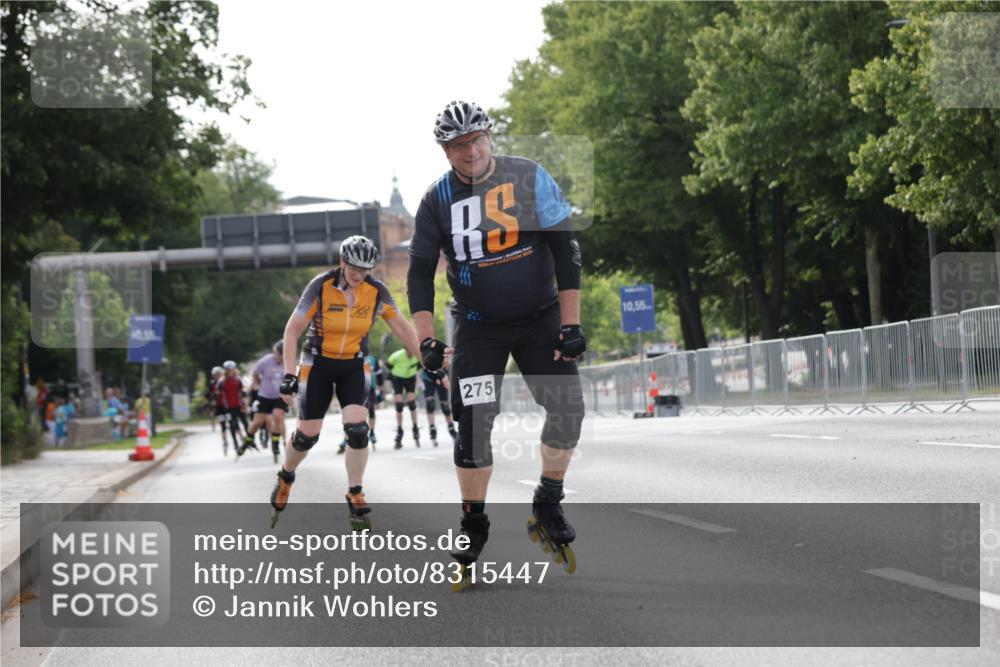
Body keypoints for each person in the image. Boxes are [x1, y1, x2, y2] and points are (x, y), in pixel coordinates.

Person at [407, 100, 587, 574]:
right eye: (457, 145)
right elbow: (420, 275)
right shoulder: (435, 201)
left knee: (568, 408)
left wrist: (571, 325)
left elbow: (565, 249)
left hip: (540, 318)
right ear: (445, 151)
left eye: (476, 140)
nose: (470, 152)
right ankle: (474, 523)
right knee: (474, 421)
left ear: (491, 135)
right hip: (479, 326)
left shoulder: (527, 176)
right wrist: (426, 340)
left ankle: (548, 499)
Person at [270, 235, 421, 529]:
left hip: (354, 362)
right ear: (342, 262)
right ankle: (286, 474)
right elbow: (292, 332)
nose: (357, 274)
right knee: (307, 436)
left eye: (364, 270)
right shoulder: (320, 286)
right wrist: (289, 375)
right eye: (353, 268)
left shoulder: (377, 292)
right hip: (318, 361)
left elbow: (402, 327)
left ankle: (355, 493)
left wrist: (427, 362)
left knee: (357, 430)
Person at [240, 341, 288, 464]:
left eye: (282, 354)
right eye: (278, 354)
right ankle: (248, 439)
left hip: (279, 396)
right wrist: (258, 383)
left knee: (278, 417)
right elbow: (255, 373)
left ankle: (275, 443)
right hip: (264, 396)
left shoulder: (287, 362)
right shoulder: (266, 361)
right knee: (257, 423)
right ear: (275, 352)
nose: (280, 357)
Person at [338, 352, 384, 454]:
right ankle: (346, 437)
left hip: (370, 387)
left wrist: (380, 387)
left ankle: (372, 432)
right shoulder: (349, 355)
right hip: (355, 388)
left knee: (371, 409)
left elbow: (379, 373)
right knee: (349, 414)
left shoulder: (372, 358)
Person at [385, 347, 421, 448]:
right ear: (405, 349)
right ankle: (399, 429)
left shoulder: (417, 354)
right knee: (399, 406)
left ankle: (415, 427)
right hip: (397, 378)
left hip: (410, 378)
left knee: (411, 404)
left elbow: (421, 364)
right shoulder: (396, 356)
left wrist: (413, 370)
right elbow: (388, 365)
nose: (411, 353)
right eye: (409, 351)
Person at [420, 367, 457, 447]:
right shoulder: (424, 353)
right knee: (430, 404)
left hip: (441, 377)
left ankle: (452, 429)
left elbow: (447, 363)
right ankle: (432, 429)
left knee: (445, 406)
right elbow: (422, 363)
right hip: (428, 378)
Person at [222, 361, 252, 459]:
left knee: (246, 424)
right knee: (233, 424)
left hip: (239, 405)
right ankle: (235, 442)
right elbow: (220, 394)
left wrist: (244, 404)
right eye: (228, 370)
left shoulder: (238, 380)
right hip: (229, 407)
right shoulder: (222, 382)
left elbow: (242, 392)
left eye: (232, 370)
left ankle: (249, 441)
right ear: (226, 371)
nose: (230, 372)